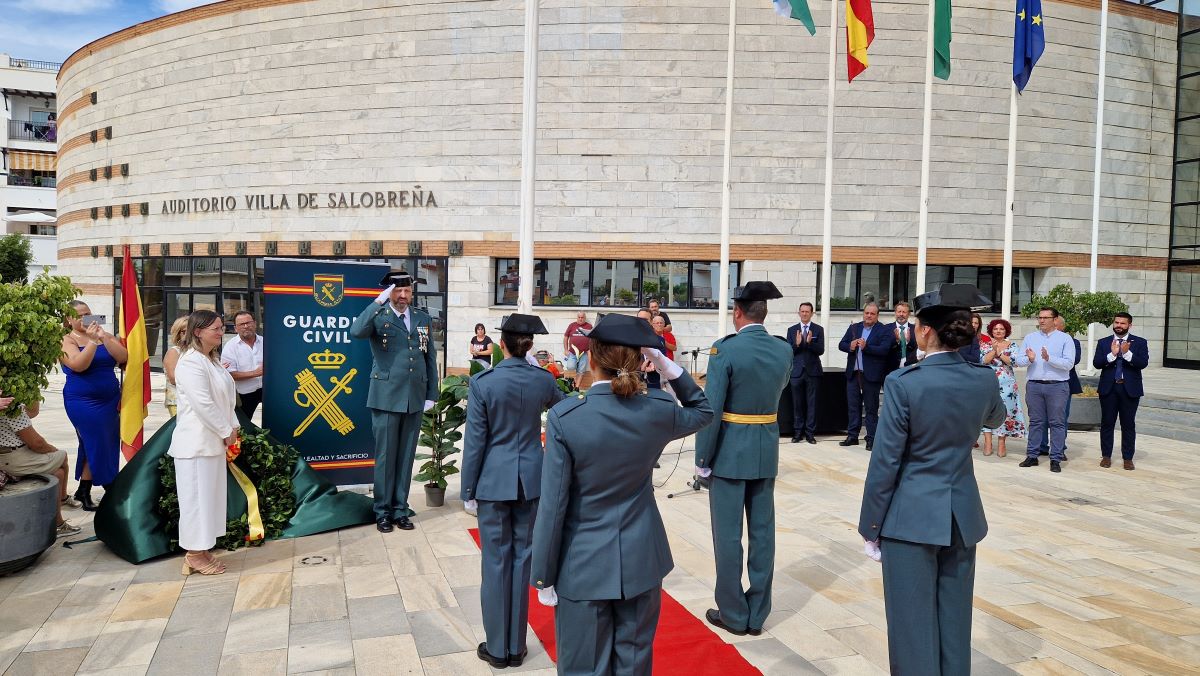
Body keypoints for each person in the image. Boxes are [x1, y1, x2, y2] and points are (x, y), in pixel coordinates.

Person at [531, 313, 713, 674]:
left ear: (593, 359)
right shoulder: (657, 410)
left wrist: (543, 576)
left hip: (582, 564)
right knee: (633, 663)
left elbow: (553, 506)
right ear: (638, 359)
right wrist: (664, 364)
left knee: (585, 667)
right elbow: (702, 410)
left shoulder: (568, 417)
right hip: (641, 558)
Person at [858, 284, 1005, 676]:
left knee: (911, 627)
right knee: (954, 622)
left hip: (910, 518)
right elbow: (995, 418)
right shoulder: (983, 378)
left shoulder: (905, 382)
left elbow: (885, 462)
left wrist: (871, 526)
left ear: (923, 331)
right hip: (962, 517)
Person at [461, 314, 565, 668]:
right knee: (522, 561)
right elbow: (563, 409)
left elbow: (475, 441)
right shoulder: (541, 379)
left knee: (495, 563)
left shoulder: (483, 382)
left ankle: (497, 647)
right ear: (530, 346)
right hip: (532, 479)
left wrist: (468, 488)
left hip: (493, 480)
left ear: (500, 344)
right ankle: (516, 647)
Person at [695, 281, 792, 637]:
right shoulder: (783, 350)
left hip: (730, 453)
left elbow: (712, 408)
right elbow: (779, 390)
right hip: (765, 448)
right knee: (763, 534)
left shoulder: (725, 350)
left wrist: (702, 458)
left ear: (738, 312)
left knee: (728, 535)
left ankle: (734, 613)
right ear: (763, 312)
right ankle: (758, 613)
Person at [350, 270, 438, 533]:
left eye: (407, 291)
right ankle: (383, 511)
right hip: (387, 396)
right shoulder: (380, 316)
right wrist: (378, 302)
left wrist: (431, 393)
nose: (403, 296)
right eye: (397, 291)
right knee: (386, 456)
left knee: (406, 456)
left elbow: (429, 357)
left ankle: (400, 508)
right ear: (389, 293)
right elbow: (356, 331)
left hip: (414, 396)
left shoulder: (422, 318)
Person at [170, 310, 239, 576]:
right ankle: (193, 555)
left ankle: (202, 548)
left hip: (213, 442)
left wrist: (232, 426)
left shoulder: (212, 360)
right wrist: (224, 429)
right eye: (216, 329)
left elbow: (226, 398)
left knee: (209, 499)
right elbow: (203, 403)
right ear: (198, 332)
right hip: (196, 444)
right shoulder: (189, 362)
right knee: (196, 501)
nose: (221, 333)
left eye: (222, 328)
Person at [61, 299, 128, 511]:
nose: (85, 318)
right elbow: (78, 365)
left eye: (88, 313)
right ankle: (110, 485)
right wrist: (91, 342)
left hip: (109, 400)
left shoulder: (102, 334)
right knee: (96, 441)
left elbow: (123, 357)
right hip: (83, 401)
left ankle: (85, 489)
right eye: (79, 315)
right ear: (68, 319)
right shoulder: (66, 340)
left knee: (100, 442)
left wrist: (103, 338)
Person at [0, 396, 81, 537]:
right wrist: (52, 451)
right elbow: (37, 443)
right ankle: (63, 499)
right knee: (62, 456)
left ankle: (59, 523)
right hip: (13, 458)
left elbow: (33, 412)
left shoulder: (11, 405)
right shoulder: (11, 407)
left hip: (10, 455)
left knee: (58, 473)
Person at [1015, 307, 1075, 473]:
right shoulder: (1030, 337)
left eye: (1046, 318)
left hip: (1057, 385)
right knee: (1035, 421)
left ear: (1055, 320)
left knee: (1057, 422)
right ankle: (1032, 455)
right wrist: (1029, 358)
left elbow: (1069, 364)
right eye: (1039, 317)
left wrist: (1050, 359)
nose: (1041, 320)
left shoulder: (1065, 339)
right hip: (1034, 385)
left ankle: (1055, 458)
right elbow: (1019, 361)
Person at [1093, 312, 1149, 470]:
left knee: (1128, 424)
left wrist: (1127, 353)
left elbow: (1142, 363)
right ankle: (1106, 456)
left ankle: (1128, 458)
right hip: (1108, 389)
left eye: (1122, 323)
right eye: (1116, 322)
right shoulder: (1104, 342)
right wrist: (1112, 354)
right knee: (1107, 423)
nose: (1118, 325)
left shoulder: (1139, 342)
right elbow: (1097, 363)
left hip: (1130, 389)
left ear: (1130, 325)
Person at [837, 303, 894, 450]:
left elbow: (884, 349)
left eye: (872, 314)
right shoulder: (854, 328)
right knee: (853, 407)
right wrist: (850, 345)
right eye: (867, 313)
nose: (868, 316)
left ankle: (872, 438)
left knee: (871, 408)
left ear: (877, 315)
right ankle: (852, 436)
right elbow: (841, 344)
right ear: (863, 313)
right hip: (854, 375)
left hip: (871, 376)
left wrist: (866, 347)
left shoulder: (884, 330)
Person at [979, 319, 1026, 457]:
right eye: (995, 329)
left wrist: (999, 352)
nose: (998, 331)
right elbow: (983, 361)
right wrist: (993, 350)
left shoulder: (1012, 345)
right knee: (987, 410)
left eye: (1001, 329)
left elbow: (1014, 362)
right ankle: (988, 443)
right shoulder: (984, 344)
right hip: (988, 381)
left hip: (1007, 383)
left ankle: (1001, 443)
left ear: (1006, 331)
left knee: (1006, 411)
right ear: (991, 331)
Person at [1036, 315, 1082, 457]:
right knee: (1041, 417)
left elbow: (1073, 361)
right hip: (1041, 383)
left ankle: (1059, 448)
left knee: (1060, 418)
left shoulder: (1072, 342)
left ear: (1061, 326)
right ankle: (1042, 446)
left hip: (1064, 384)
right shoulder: (1038, 340)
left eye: (1055, 325)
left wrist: (1051, 358)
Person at [785, 301, 824, 444]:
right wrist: (797, 344)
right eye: (802, 311)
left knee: (812, 404)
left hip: (813, 372)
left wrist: (809, 342)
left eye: (807, 311)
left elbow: (821, 350)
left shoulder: (818, 329)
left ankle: (810, 433)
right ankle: (797, 432)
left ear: (812, 313)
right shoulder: (791, 330)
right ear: (799, 313)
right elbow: (789, 351)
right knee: (797, 403)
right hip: (796, 372)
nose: (805, 314)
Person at [221, 310, 264, 418]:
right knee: (244, 425)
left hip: (267, 390)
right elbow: (230, 374)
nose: (246, 326)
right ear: (236, 328)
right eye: (241, 324)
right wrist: (255, 373)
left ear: (254, 323)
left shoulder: (266, 342)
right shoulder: (230, 347)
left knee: (274, 421)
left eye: (248, 322)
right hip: (244, 393)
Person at [162, 316, 190, 417]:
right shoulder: (174, 352)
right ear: (177, 334)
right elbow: (173, 378)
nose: (188, 335)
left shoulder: (194, 351)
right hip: (177, 401)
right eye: (184, 331)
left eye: (191, 331)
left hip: (192, 400)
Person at [635, 308, 664, 389]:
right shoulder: (628, 340)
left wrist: (655, 364)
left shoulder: (659, 341)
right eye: (639, 319)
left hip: (653, 385)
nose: (641, 322)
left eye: (645, 320)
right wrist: (641, 369)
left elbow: (663, 362)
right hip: (634, 385)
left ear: (651, 322)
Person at [887, 301, 917, 372]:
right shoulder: (887, 328)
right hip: (891, 369)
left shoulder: (915, 329)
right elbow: (885, 348)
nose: (901, 314)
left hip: (910, 369)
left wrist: (909, 342)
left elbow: (919, 348)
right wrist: (896, 341)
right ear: (895, 313)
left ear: (909, 314)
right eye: (899, 311)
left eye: (904, 312)